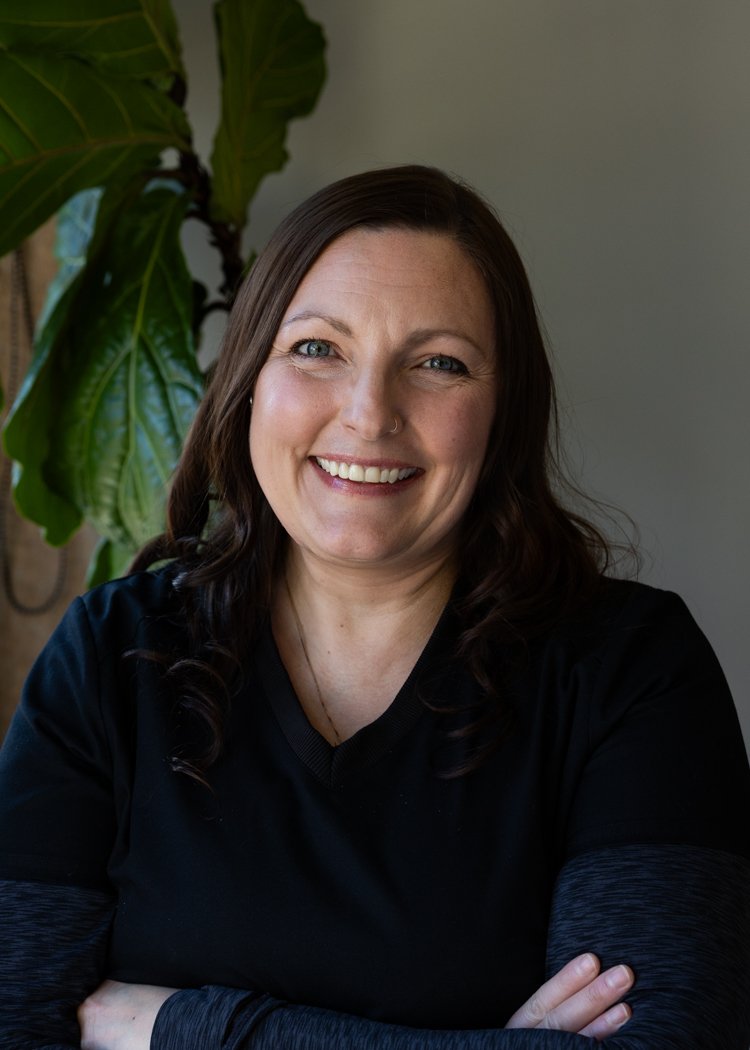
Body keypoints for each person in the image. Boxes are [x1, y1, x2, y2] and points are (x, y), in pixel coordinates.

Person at [0, 165, 748, 1050]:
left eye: (439, 363)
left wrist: (189, 1026)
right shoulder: (113, 653)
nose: (368, 414)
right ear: (249, 379)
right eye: (317, 348)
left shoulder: (631, 668)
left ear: (504, 409)